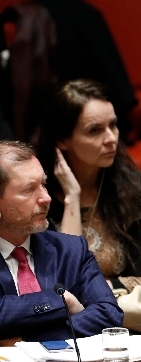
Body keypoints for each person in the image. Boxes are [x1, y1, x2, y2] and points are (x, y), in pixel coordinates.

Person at [36, 79, 141, 299]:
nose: (111, 138)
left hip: (122, 315)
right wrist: (72, 198)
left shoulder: (140, 189)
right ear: (62, 140)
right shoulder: (35, 199)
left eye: (113, 125)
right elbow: (60, 285)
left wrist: (85, 291)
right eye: (95, 131)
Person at [0, 141, 121, 342]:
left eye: (43, 184)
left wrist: (26, 341)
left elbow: (109, 316)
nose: (46, 198)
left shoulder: (72, 250)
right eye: (29, 189)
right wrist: (61, 301)